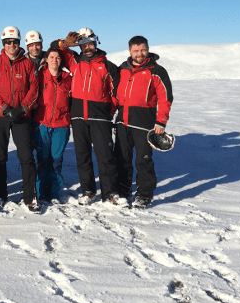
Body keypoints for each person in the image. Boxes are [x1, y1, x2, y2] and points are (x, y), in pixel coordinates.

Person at [55, 28, 120, 205]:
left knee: (105, 155)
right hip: (77, 115)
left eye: (90, 44)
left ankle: (109, 193)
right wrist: (65, 43)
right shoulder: (75, 61)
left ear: (96, 43)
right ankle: (88, 191)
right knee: (82, 155)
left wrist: (109, 111)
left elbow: (117, 92)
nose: (87, 47)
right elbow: (55, 51)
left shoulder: (107, 66)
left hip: (100, 116)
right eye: (83, 45)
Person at [0, 26, 40, 212]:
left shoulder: (28, 64)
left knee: (26, 156)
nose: (11, 45)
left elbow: (35, 89)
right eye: (8, 42)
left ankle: (29, 197)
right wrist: (4, 108)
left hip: (22, 115)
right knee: (0, 156)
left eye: (14, 41)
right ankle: (0, 194)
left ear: (19, 43)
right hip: (0, 115)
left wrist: (23, 108)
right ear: (3, 44)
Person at [114, 36, 173, 208]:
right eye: (136, 51)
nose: (139, 54)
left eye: (143, 50)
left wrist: (161, 122)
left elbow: (165, 98)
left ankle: (144, 194)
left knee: (143, 160)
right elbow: (114, 93)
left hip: (144, 123)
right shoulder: (122, 69)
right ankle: (123, 191)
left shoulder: (157, 71)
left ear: (147, 49)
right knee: (122, 158)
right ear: (130, 51)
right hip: (122, 122)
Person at [31, 47, 72, 203]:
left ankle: (54, 192)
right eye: (52, 57)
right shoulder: (39, 76)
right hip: (42, 124)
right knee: (42, 159)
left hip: (61, 125)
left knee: (56, 159)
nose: (55, 60)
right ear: (46, 59)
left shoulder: (68, 78)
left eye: (58, 57)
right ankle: (41, 191)